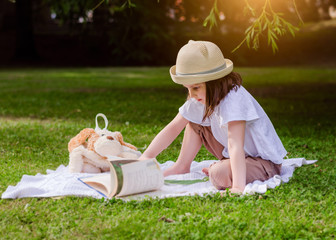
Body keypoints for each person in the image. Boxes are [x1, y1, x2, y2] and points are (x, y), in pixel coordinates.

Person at [138, 40, 287, 194]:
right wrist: (147, 156)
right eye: (187, 88)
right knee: (194, 122)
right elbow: (174, 127)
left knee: (218, 174)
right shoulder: (203, 96)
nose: (191, 94)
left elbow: (235, 144)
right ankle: (181, 166)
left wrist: (237, 187)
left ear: (215, 82)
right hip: (235, 156)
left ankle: (225, 170)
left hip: (263, 163)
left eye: (196, 87)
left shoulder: (233, 99)